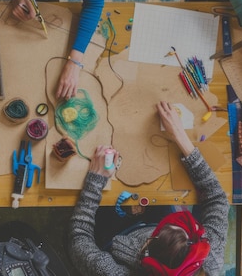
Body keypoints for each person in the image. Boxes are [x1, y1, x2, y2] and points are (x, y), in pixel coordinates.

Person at [68, 101, 229, 275]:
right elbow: (217, 199)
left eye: (156, 234)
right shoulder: (207, 257)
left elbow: (78, 239)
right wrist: (181, 137)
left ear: (149, 249)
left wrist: (95, 181)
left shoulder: (114, 273)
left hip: (114, 236)